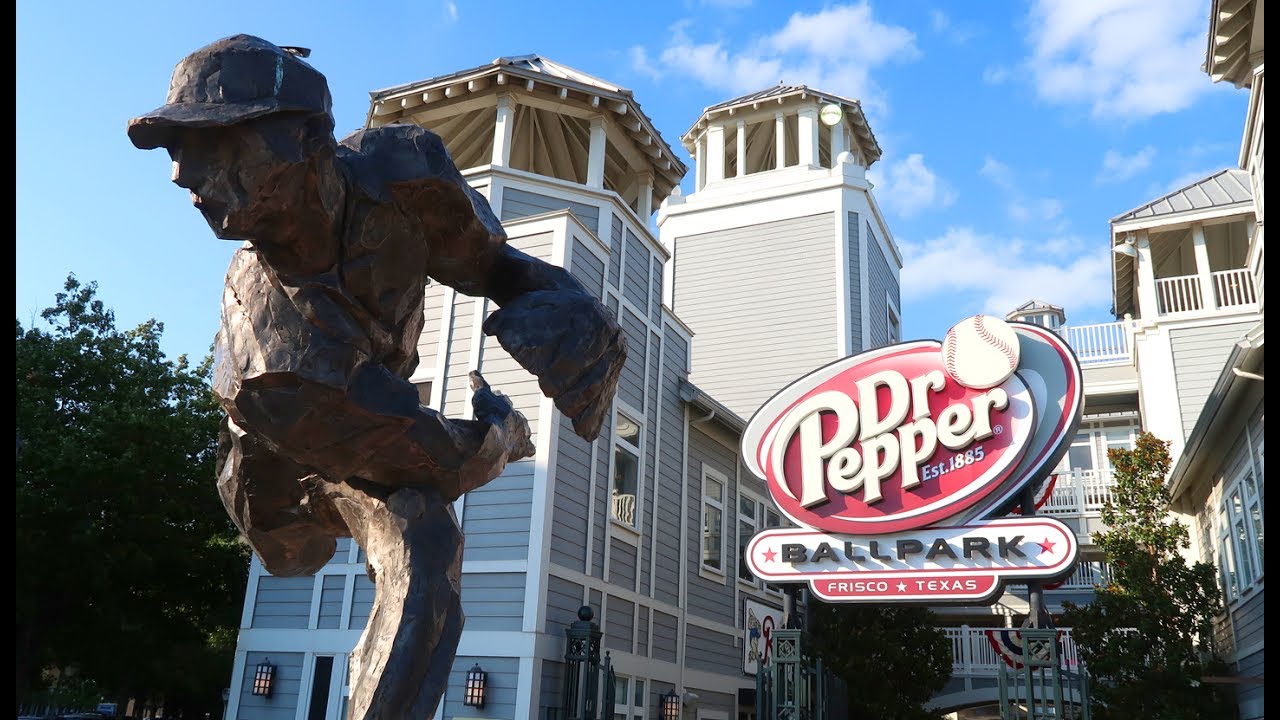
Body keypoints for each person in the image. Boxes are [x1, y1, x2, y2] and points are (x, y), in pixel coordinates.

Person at [128, 35, 626, 719]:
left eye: (214, 140)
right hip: (282, 471)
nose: (181, 174)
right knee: (363, 536)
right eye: (174, 148)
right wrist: (501, 438)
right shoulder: (262, 342)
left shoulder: (404, 167)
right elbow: (420, 452)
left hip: (360, 412)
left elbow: (491, 264)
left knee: (424, 544)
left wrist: (571, 321)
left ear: (307, 137)